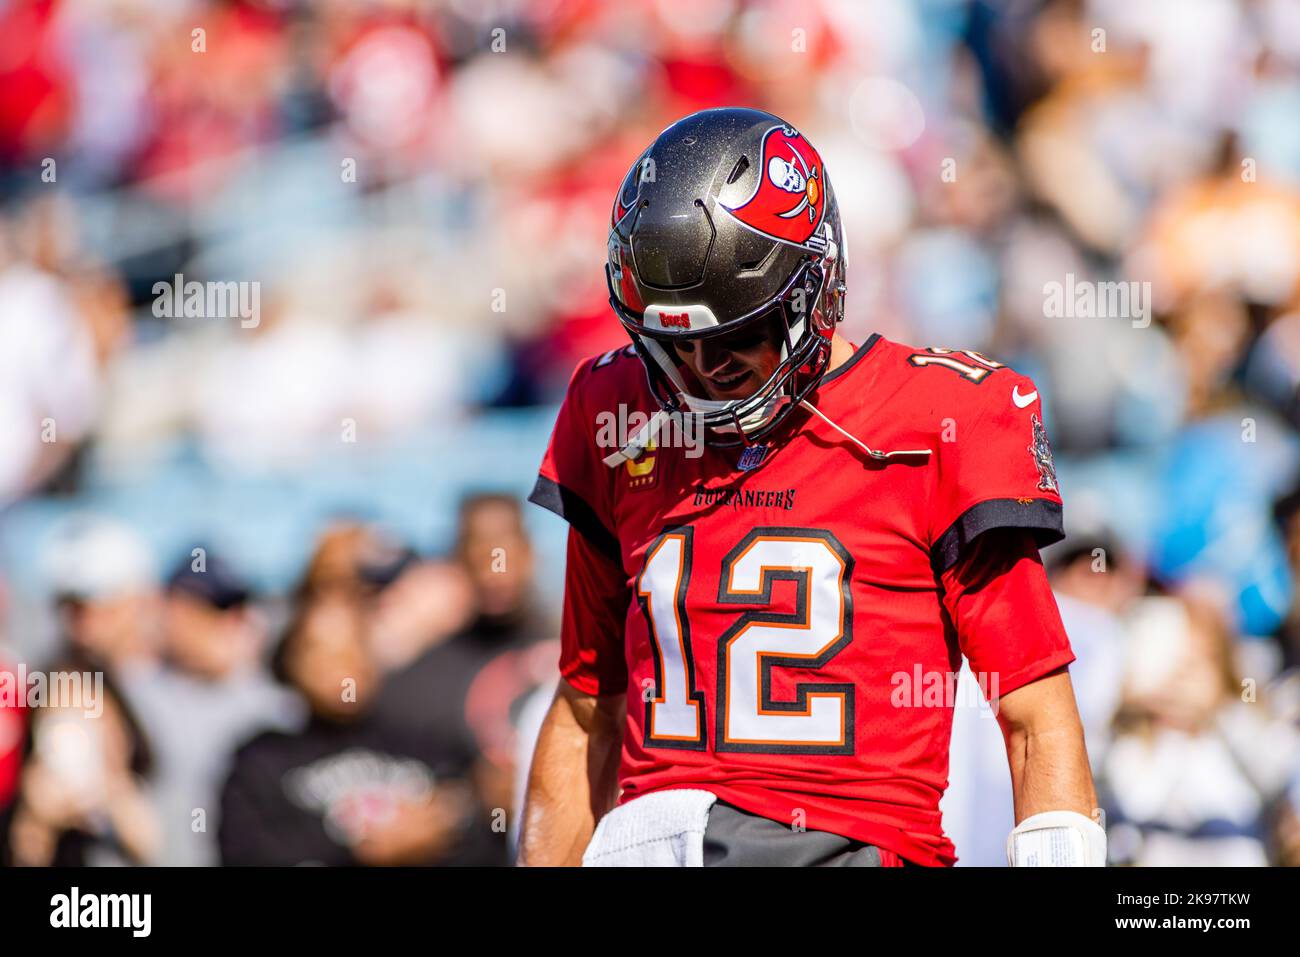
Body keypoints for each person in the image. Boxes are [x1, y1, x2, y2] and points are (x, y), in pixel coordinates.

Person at [520, 107, 1100, 867]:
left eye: (737, 336)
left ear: (814, 285)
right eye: (675, 344)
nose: (704, 369)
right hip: (651, 842)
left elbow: (1033, 714)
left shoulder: (940, 419)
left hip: (847, 848)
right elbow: (586, 705)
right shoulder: (615, 409)